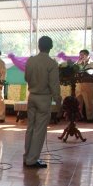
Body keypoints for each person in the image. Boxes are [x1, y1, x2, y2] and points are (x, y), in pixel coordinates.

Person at [24, 36, 61, 168]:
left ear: (39, 46)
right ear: (50, 47)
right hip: (44, 98)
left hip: (32, 96)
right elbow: (54, 85)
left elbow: (26, 77)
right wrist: (58, 102)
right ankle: (32, 160)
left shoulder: (31, 60)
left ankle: (26, 156)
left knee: (30, 128)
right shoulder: (51, 63)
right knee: (39, 130)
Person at [76, 49, 93, 121]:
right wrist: (78, 64)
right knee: (78, 102)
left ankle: (90, 118)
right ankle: (79, 117)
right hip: (79, 86)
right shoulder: (78, 63)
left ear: (87, 55)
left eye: (82, 55)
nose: (81, 56)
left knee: (89, 102)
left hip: (88, 86)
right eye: (80, 55)